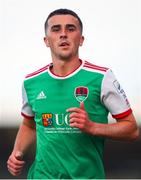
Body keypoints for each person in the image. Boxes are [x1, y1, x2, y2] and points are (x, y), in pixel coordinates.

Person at [7, 8, 139, 179]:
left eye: (70, 29)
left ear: (81, 39)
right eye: (56, 29)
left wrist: (93, 127)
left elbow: (131, 129)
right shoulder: (31, 82)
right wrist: (17, 152)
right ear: (46, 40)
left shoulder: (101, 77)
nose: (63, 34)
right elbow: (29, 124)